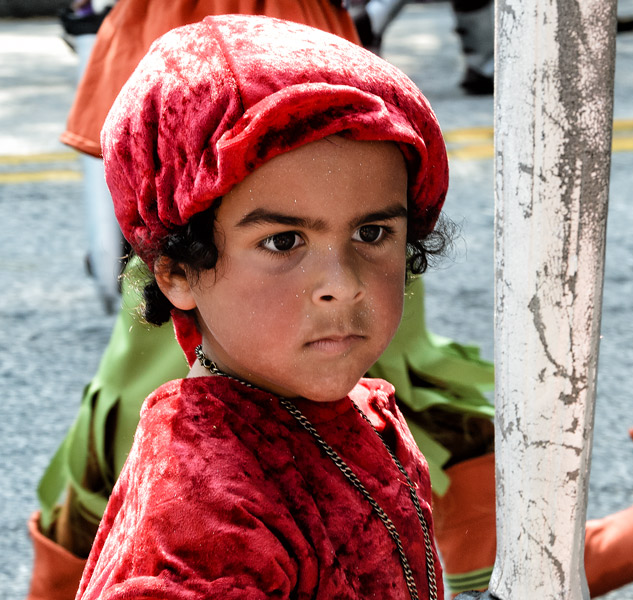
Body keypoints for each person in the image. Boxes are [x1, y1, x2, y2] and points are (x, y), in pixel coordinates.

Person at [72, 14, 452, 598]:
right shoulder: (203, 510)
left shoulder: (359, 412)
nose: (342, 284)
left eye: (373, 233)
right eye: (283, 241)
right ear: (178, 272)